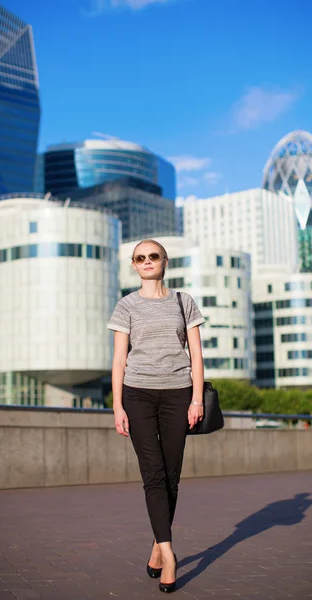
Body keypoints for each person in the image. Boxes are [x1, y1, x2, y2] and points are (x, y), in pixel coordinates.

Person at [107, 239, 205, 593]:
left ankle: (155, 545)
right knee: (153, 474)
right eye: (140, 258)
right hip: (138, 396)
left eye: (153, 256)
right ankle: (169, 552)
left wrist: (197, 400)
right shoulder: (126, 305)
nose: (146, 261)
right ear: (133, 265)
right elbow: (119, 359)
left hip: (179, 395)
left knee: (171, 476)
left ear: (165, 261)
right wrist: (117, 406)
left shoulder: (184, 301)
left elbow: (196, 353)